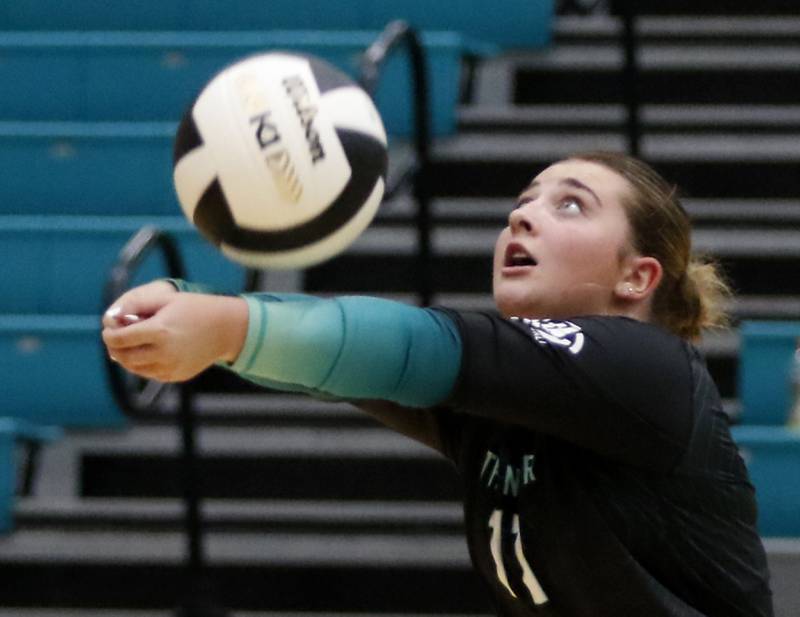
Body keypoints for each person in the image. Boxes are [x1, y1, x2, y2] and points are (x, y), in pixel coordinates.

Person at [102, 151, 774, 617]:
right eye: (522, 203)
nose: (523, 216)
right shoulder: (514, 406)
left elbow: (416, 348)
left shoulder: (651, 370)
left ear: (638, 277)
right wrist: (192, 306)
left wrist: (221, 324)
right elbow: (345, 364)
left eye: (571, 205)